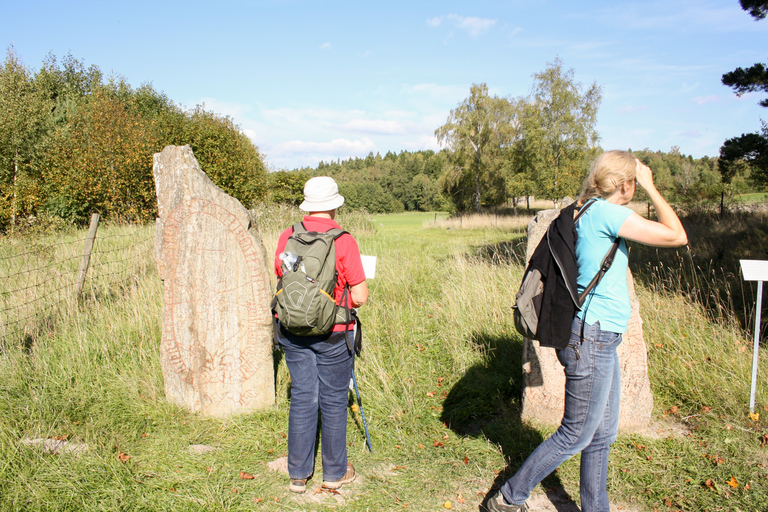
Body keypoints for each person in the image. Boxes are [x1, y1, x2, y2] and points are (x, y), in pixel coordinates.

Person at [484, 150, 688, 512]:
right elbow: (676, 236)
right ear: (626, 184)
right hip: (591, 338)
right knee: (576, 432)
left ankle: (596, 508)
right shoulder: (608, 213)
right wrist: (651, 186)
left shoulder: (584, 208)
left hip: (596, 337)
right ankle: (509, 497)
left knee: (602, 434)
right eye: (634, 183)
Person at [273, 176, 369, 494]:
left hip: (292, 329)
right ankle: (334, 474)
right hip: (334, 333)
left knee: (302, 397)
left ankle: (298, 476)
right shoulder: (344, 240)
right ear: (334, 205)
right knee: (333, 400)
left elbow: (286, 278)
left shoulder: (288, 235)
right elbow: (360, 297)